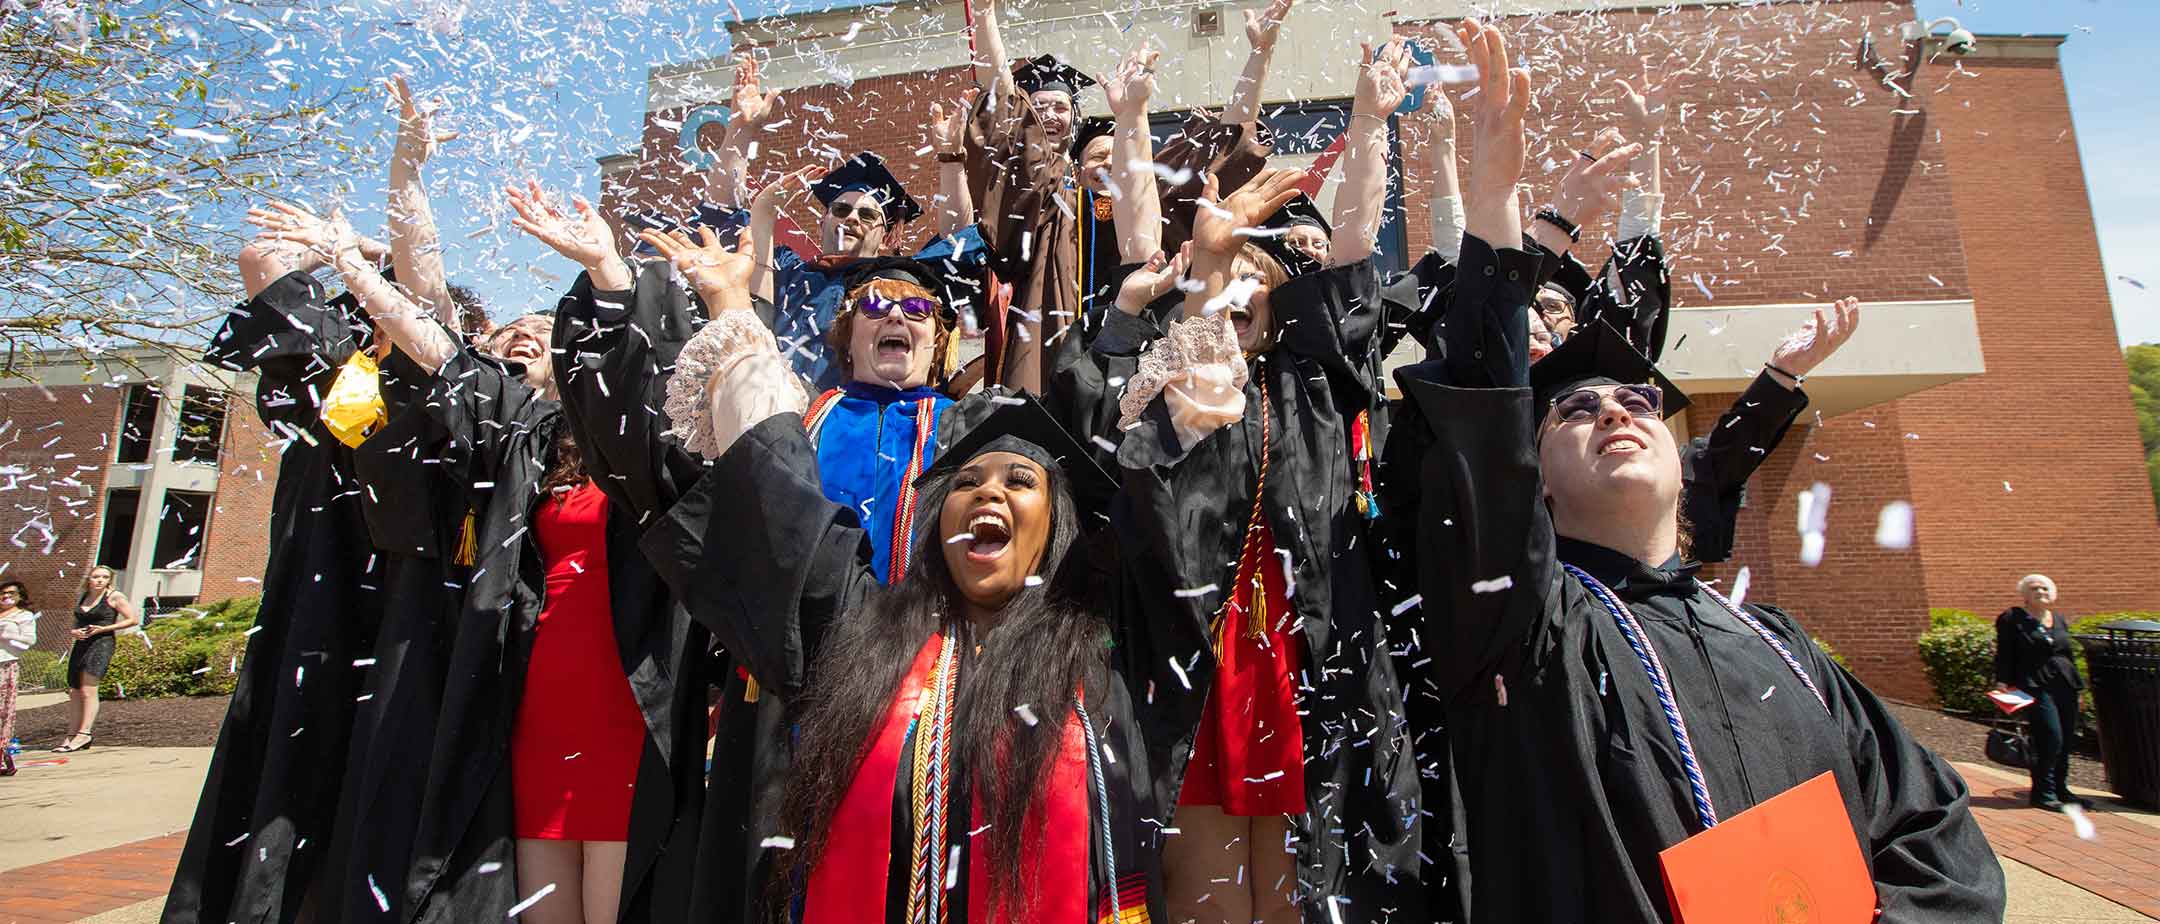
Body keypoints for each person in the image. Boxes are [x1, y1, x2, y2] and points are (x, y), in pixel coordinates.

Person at [1382, 19, 2004, 923]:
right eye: (1571, 408)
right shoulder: (1520, 628)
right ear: (1527, 477)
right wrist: (1507, 208)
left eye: (1639, 404)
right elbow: (1472, 402)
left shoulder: (1783, 648)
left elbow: (1932, 827)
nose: (1613, 410)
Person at [643, 226, 1180, 923]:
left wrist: (1132, 320)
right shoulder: (816, 435)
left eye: (919, 309)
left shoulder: (1087, 664)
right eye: (874, 306)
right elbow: (779, 505)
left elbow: (1128, 474)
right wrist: (729, 307)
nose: (988, 492)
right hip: (843, 676)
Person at [163, 226, 395, 924]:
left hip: (417, 624)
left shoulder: (469, 401)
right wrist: (349, 250)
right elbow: (260, 262)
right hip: (323, 605)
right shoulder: (344, 373)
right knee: (292, 793)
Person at [961, 0, 1274, 391]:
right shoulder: (1045, 210)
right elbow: (1006, 126)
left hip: (1141, 369)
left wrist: (1259, 56)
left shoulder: (1155, 200)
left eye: (1118, 156)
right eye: (1097, 157)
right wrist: (987, 19)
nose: (1109, 164)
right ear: (1076, 167)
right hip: (1051, 371)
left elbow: (1222, 151)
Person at [1995, 574, 2091, 812]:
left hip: (2065, 685)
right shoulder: (2013, 619)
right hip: (2033, 686)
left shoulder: (2058, 619)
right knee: (2050, 737)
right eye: (2034, 588)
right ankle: (2043, 793)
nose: (2040, 592)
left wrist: (2078, 691)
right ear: (2024, 595)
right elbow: (2005, 652)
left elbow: (2067, 655)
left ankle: (2061, 789)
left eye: (2045, 588)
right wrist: (2002, 682)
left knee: (2066, 738)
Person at [53, 565, 139, 752]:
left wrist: (104, 629)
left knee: (88, 690)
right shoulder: (83, 596)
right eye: (96, 577)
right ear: (89, 579)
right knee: (74, 690)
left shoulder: (114, 596)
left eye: (104, 577)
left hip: (101, 643)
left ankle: (84, 734)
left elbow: (133, 619)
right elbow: (76, 620)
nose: (100, 580)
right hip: (81, 644)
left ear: (110, 579)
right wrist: (74, 632)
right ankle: (71, 734)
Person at [1, 580, 36, 777]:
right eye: (3, 593)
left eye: (11, 593)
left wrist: (9, 635)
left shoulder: (23, 616)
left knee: (3, 711)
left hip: (5, 665)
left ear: (20, 596)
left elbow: (29, 640)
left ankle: (3, 755)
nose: (6, 596)